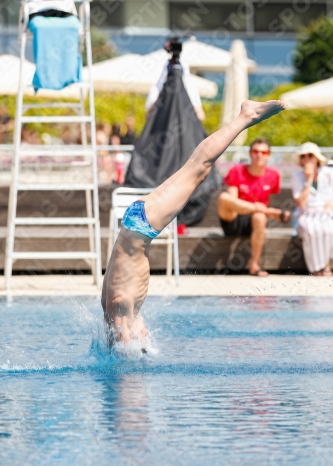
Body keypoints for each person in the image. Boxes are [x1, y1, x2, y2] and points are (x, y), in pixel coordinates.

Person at [102, 100, 287, 347]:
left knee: (198, 168)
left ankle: (245, 116)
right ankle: (245, 116)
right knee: (194, 170)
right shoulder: (117, 310)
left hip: (141, 225)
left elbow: (124, 332)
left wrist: (130, 345)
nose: (143, 334)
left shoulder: (119, 314)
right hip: (137, 222)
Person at [217, 138, 290, 277]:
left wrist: (261, 211)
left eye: (264, 152)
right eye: (256, 151)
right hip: (233, 219)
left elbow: (265, 204)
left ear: (268, 155)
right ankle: (269, 213)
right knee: (223, 198)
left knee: (260, 216)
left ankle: (254, 265)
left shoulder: (274, 175)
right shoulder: (237, 170)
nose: (259, 155)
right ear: (250, 153)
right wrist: (264, 209)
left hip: (255, 223)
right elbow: (232, 203)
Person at [292, 142, 333, 276]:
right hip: (306, 215)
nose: (307, 159)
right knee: (311, 228)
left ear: (317, 158)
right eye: (304, 156)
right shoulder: (297, 176)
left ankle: (326, 265)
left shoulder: (328, 173)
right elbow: (302, 204)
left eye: (310, 155)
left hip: (326, 213)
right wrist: (308, 180)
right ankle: (316, 268)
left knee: (328, 228)